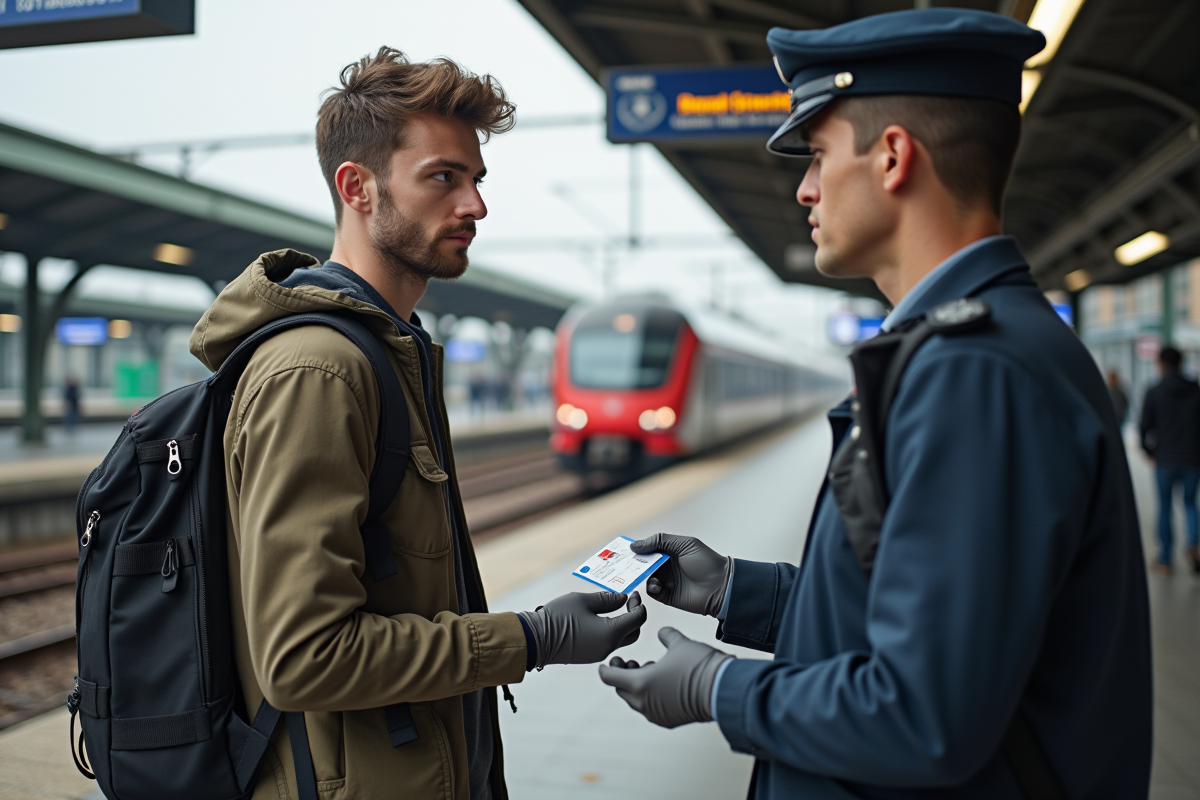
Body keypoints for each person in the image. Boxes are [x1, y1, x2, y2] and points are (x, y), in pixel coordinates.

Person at [599, 9, 1153, 798]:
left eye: (819, 156)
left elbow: (924, 715)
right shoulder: (965, 353)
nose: (803, 188)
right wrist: (735, 591)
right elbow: (916, 624)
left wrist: (717, 689)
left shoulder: (977, 375)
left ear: (894, 157)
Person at [188, 48, 645, 800]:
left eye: (475, 179)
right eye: (443, 178)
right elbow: (305, 657)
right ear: (356, 187)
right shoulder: (320, 372)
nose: (475, 205)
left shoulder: (388, 351)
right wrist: (532, 638)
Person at [1139, 346, 1200, 574]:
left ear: (1161, 364)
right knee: (1190, 504)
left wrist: (1149, 451)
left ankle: (1165, 558)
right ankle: (1193, 544)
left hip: (1165, 457)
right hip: (1193, 458)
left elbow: (1144, 427)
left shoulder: (1154, 391)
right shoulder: (1196, 390)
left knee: (1164, 507)